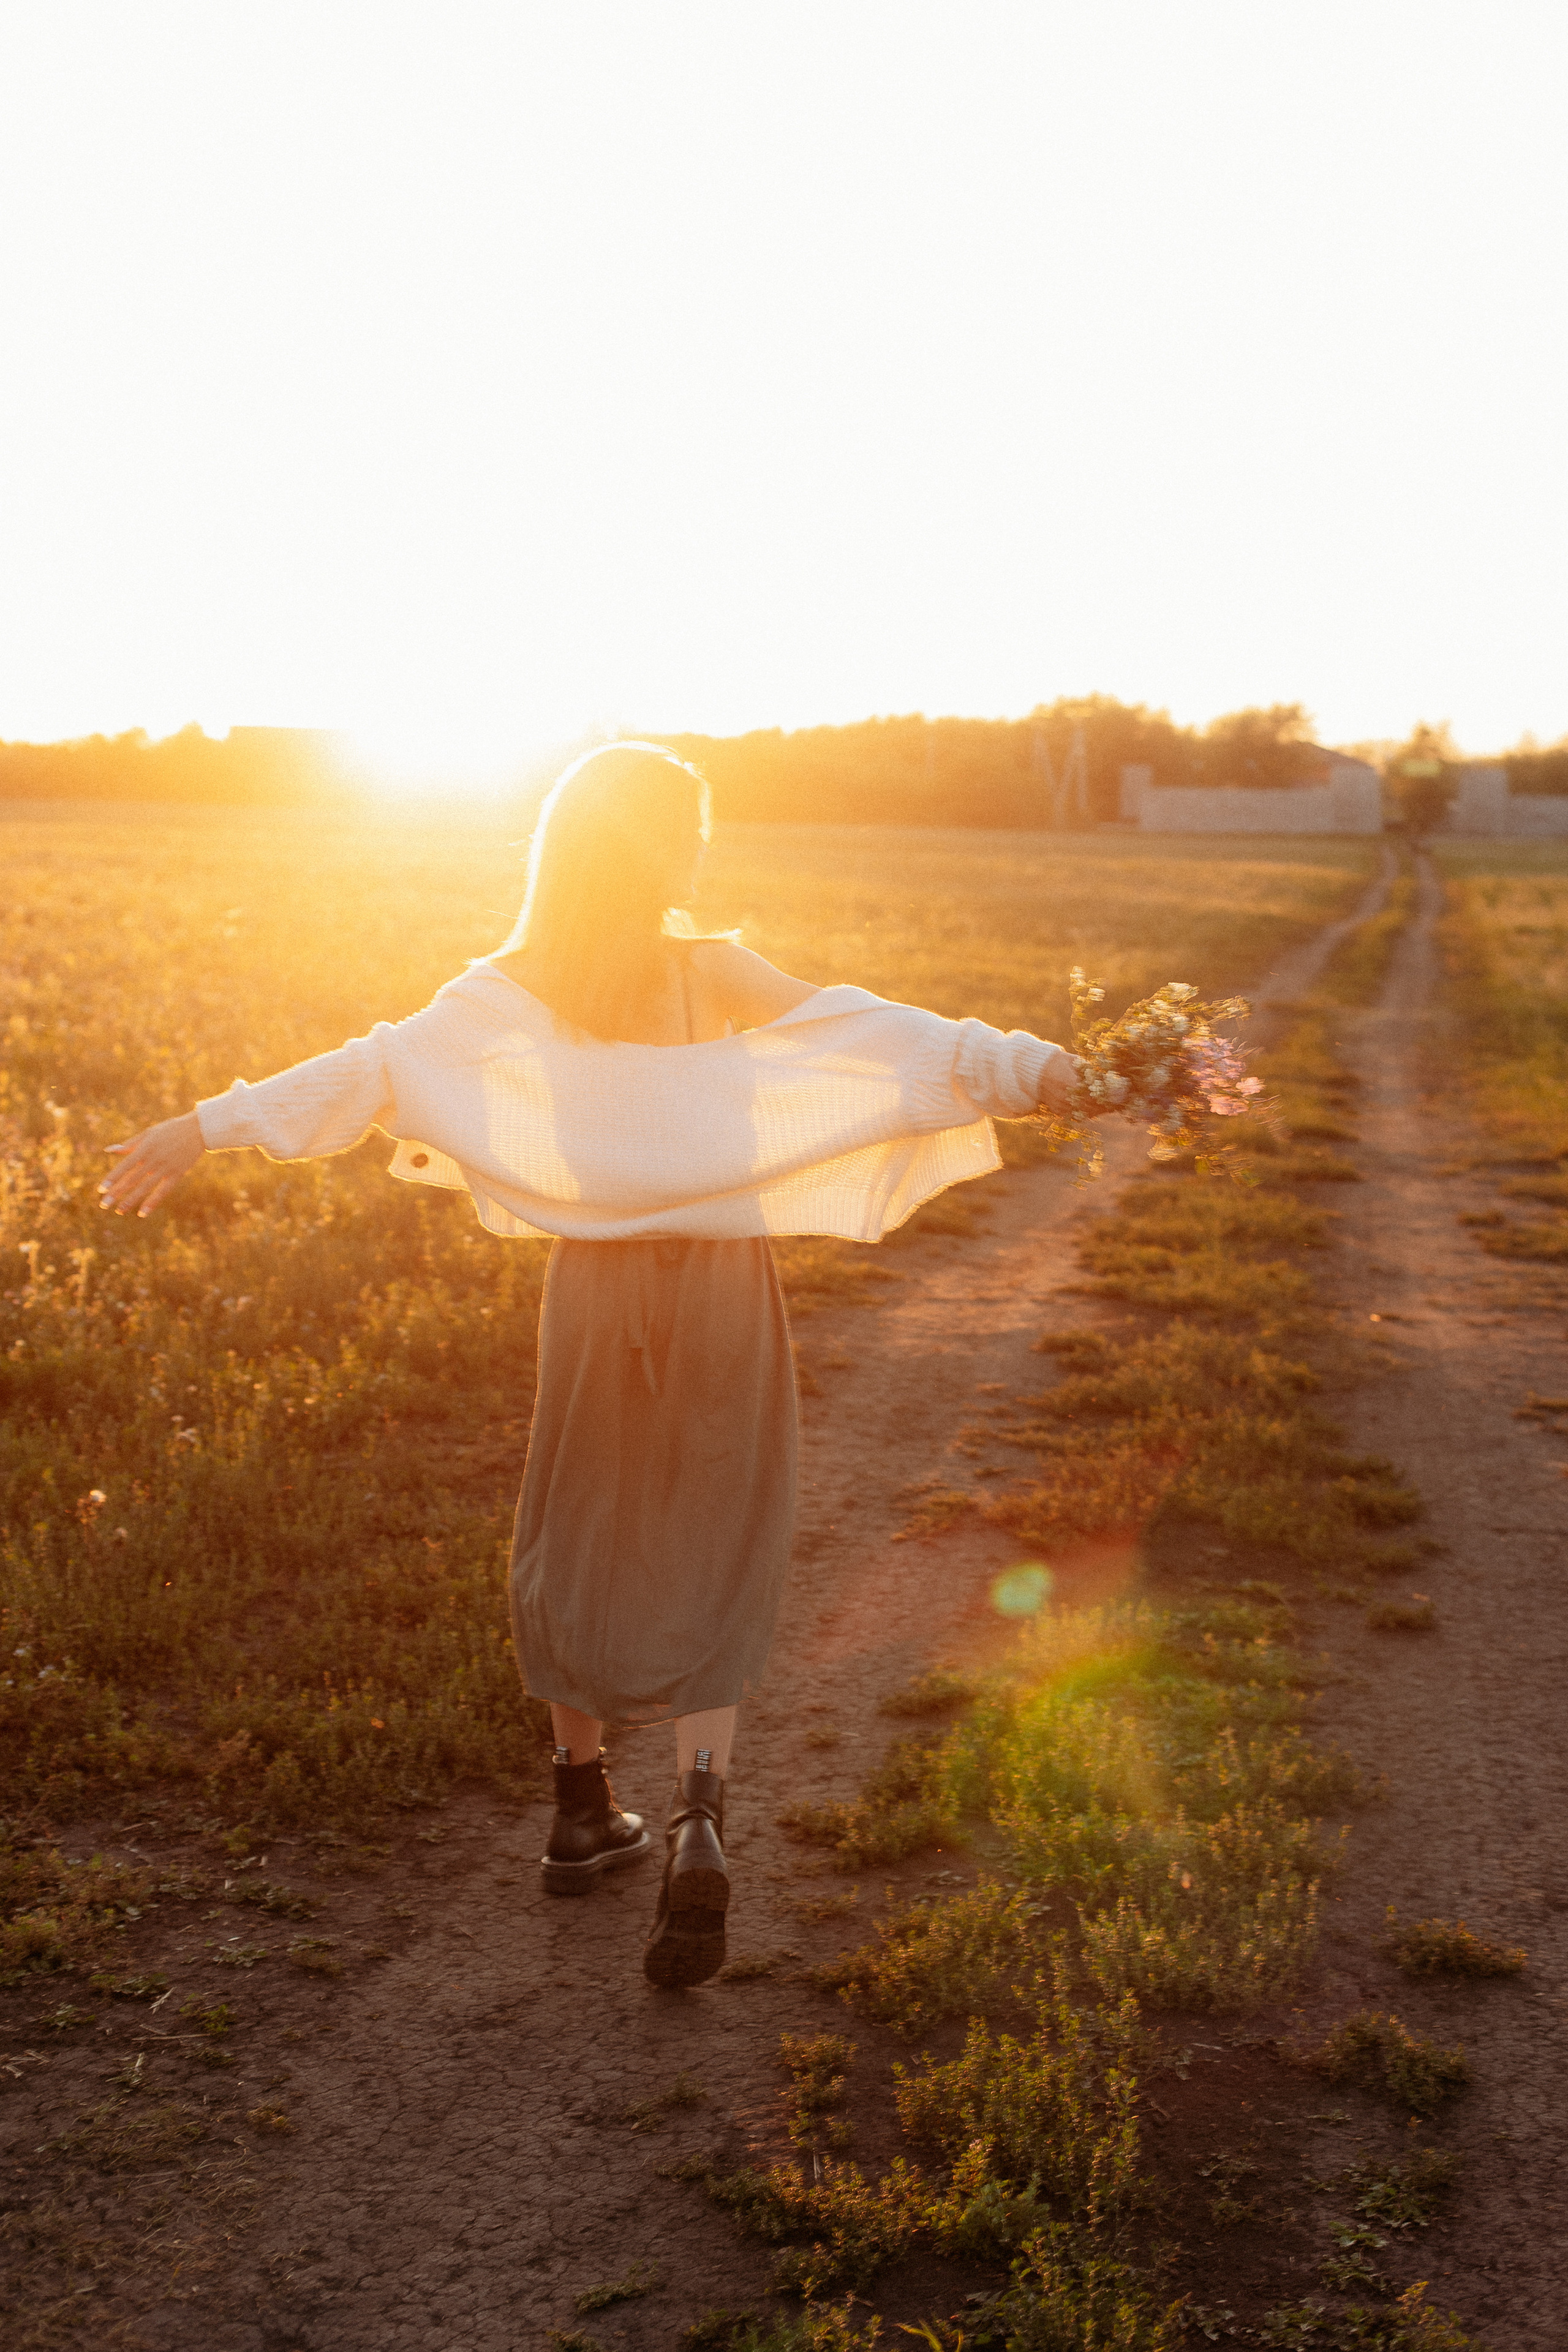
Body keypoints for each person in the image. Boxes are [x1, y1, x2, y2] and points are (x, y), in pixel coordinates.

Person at [100, 741, 1080, 1989]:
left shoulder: (512, 985)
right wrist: (1049, 1074)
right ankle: (700, 1818)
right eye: (695, 833)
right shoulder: (711, 969)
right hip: (722, 1286)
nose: (705, 854)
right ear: (670, 849)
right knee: (718, 1527)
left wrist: (205, 1126)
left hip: (595, 1289)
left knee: (576, 1527)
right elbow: (884, 1038)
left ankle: (579, 1804)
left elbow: (371, 1069)